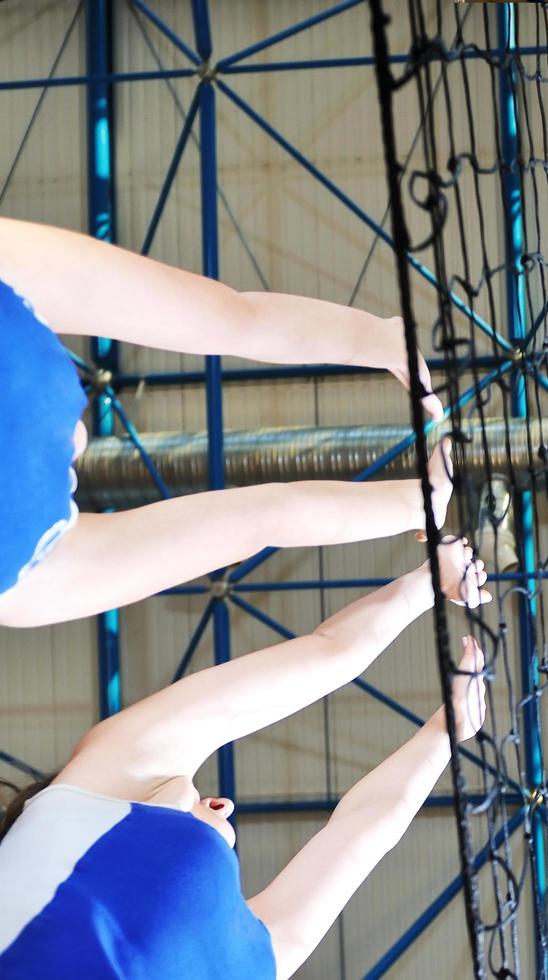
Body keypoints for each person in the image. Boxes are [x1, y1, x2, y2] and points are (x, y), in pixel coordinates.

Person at [0, 537, 490, 979]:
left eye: (203, 796)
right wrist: (447, 732)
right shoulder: (257, 958)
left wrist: (427, 582)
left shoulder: (109, 775)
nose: (224, 804)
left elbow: (328, 655)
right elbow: (362, 832)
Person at [0, 216, 449, 628]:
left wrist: (379, 341)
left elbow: (233, 319)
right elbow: (263, 518)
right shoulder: (22, 583)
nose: (80, 441)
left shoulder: (22, 580)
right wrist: (413, 505)